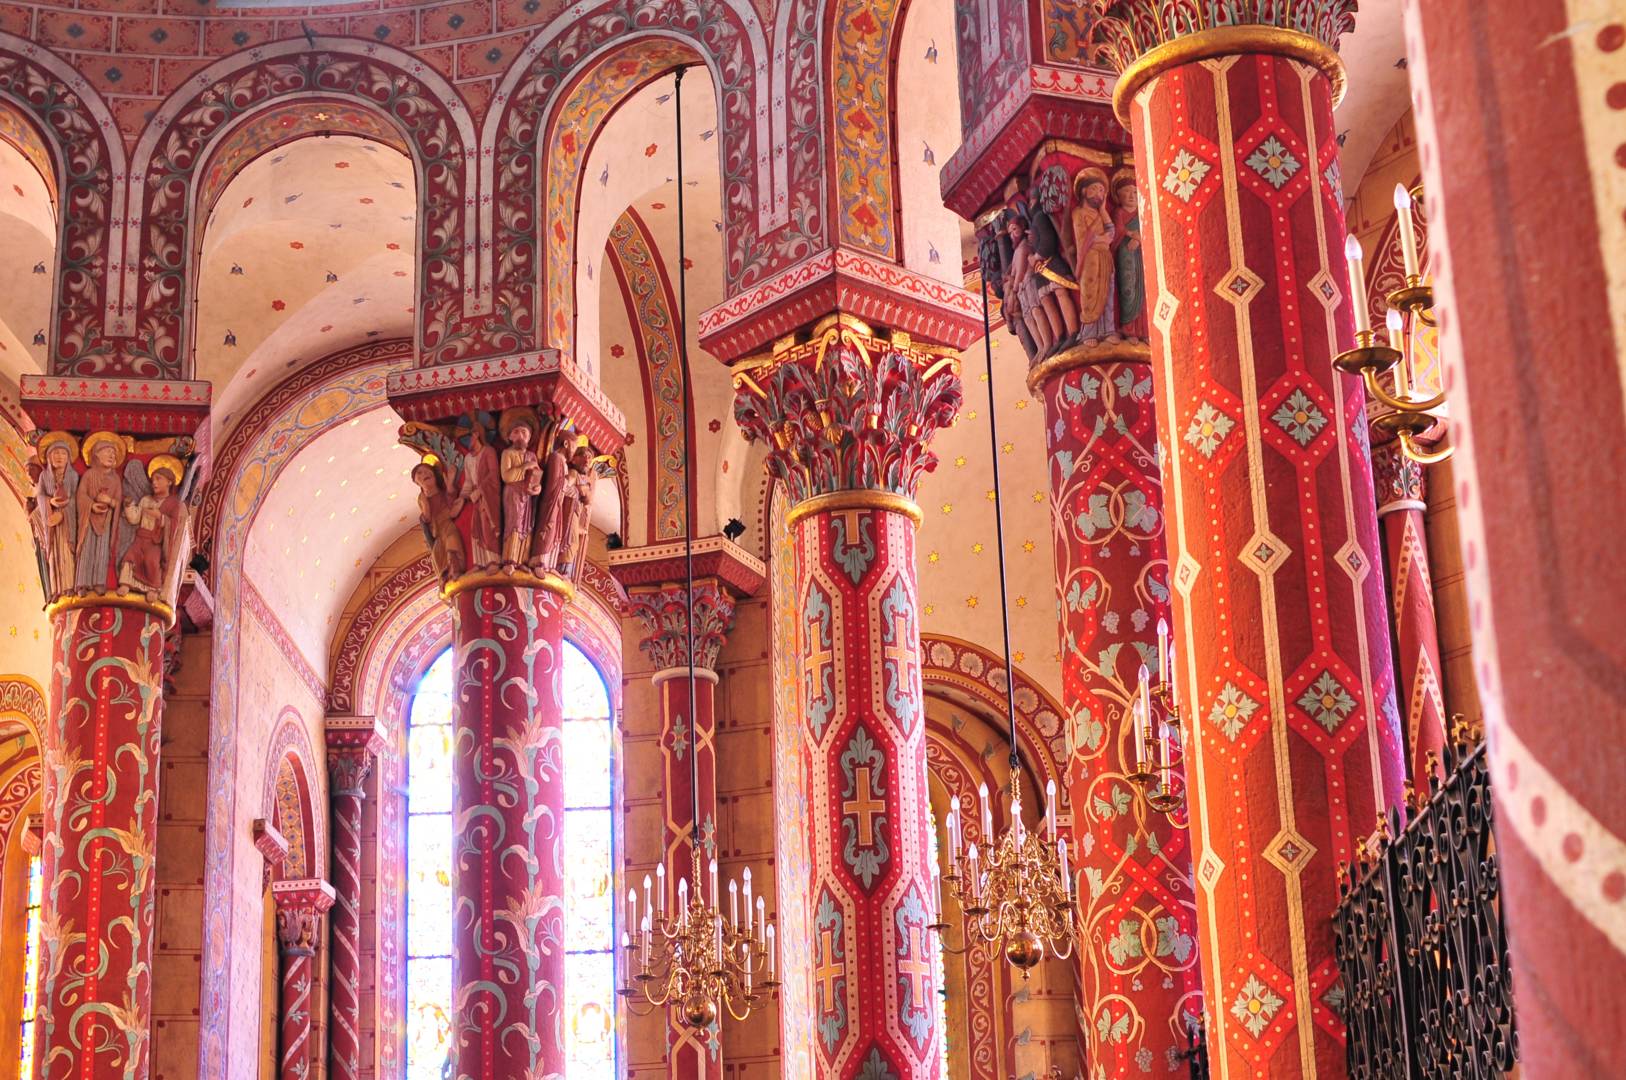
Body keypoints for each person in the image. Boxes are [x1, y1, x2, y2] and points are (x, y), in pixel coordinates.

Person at [119, 457, 185, 598]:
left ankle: (153, 588)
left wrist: (160, 517)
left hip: (155, 541)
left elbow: (176, 525)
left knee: (152, 561)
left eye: (158, 479)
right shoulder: (146, 500)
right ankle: (126, 584)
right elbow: (134, 519)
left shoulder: (173, 504)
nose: (154, 483)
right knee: (130, 557)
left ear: (169, 482)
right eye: (153, 480)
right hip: (140, 538)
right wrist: (128, 506)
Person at [1069, 166, 1118, 343]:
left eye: (1102, 191)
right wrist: (1102, 239)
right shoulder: (1078, 213)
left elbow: (1111, 232)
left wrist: (1103, 210)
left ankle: (1108, 330)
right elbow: (1082, 238)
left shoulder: (1099, 213)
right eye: (1095, 189)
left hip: (1105, 258)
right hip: (1089, 260)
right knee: (1090, 294)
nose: (1099, 194)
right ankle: (1089, 333)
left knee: (1107, 293)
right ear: (1083, 191)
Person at [74, 433, 124, 592]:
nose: (112, 455)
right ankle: (82, 583)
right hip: (89, 519)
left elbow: (119, 503)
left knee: (102, 550)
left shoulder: (116, 479)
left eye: (114, 454)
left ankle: (98, 582)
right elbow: (81, 495)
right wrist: (91, 505)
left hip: (106, 519)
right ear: (96, 454)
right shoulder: (89, 475)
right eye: (108, 451)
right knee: (87, 549)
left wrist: (110, 501)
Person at [33, 434, 77, 594]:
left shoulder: (72, 476)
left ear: (68, 458)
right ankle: (56, 590)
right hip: (51, 518)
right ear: (49, 457)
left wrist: (64, 513)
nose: (59, 457)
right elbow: (40, 496)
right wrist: (50, 502)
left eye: (63, 453)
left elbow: (76, 498)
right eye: (56, 453)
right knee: (53, 555)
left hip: (67, 521)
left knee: (66, 553)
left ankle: (69, 587)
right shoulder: (44, 476)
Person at [499, 418, 542, 567]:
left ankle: (522, 560)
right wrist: (525, 467)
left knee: (527, 525)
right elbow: (507, 476)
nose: (520, 436)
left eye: (524, 433)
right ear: (510, 437)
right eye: (516, 432)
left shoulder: (532, 456)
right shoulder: (507, 453)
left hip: (527, 496)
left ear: (529, 437)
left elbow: (537, 476)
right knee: (514, 523)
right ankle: (510, 560)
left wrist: (537, 488)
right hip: (513, 494)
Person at [414, 461, 467, 582]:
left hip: (448, 524)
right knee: (438, 553)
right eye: (420, 473)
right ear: (417, 483)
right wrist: (425, 503)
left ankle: (455, 568)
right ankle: (446, 575)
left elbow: (450, 501)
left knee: (452, 540)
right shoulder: (422, 498)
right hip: (437, 531)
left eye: (427, 471)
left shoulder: (442, 492)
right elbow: (427, 518)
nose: (424, 474)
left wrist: (450, 484)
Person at [459, 417, 501, 569]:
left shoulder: (488, 451)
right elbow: (468, 481)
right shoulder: (468, 458)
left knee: (488, 526)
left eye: (470, 435)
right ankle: (481, 563)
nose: (468, 440)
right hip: (476, 497)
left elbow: (493, 473)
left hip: (488, 494)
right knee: (476, 528)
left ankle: (495, 560)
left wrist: (480, 490)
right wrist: (462, 497)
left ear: (477, 434)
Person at [1111, 170, 1148, 340]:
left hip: (1140, 254)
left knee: (1143, 287)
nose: (1132, 196)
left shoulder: (1142, 212)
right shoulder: (1119, 212)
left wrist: (1139, 239)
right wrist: (1132, 235)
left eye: (1134, 192)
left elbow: (1149, 229)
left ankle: (1142, 331)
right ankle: (1128, 328)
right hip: (1125, 255)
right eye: (1126, 192)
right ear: (1118, 196)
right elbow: (1118, 229)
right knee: (1128, 288)